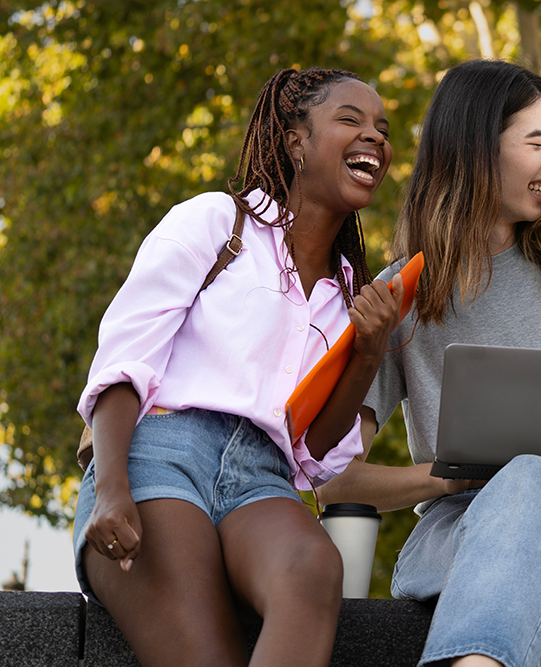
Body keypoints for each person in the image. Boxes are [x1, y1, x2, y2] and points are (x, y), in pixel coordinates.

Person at [316, 59, 541, 667]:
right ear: (477, 148)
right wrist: (448, 480)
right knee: (517, 482)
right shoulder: (399, 299)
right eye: (537, 142)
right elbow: (331, 480)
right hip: (456, 538)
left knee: (527, 476)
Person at [74, 67, 403, 667]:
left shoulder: (350, 290)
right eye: (351, 121)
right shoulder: (215, 222)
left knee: (313, 565)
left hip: (263, 478)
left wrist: (369, 352)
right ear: (295, 141)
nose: (376, 138)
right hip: (160, 455)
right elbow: (125, 361)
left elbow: (317, 448)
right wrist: (112, 488)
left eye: (383, 129)